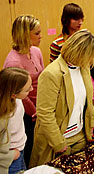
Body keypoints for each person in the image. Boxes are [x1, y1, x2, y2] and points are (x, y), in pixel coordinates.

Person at [29, 29, 94, 167]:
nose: (92, 59)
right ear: (80, 53)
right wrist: (58, 142)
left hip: (80, 135)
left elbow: (87, 100)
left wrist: (92, 122)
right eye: (90, 55)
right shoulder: (51, 74)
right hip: (59, 138)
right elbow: (45, 114)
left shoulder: (83, 67)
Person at [3, 15, 44, 167]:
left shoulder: (36, 51)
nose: (41, 36)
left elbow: (42, 77)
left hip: (39, 105)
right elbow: (18, 95)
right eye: (37, 33)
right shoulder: (13, 61)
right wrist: (34, 112)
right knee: (27, 146)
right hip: (26, 112)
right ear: (25, 35)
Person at [0, 67, 33, 174]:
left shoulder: (17, 100)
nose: (32, 89)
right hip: (10, 158)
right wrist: (10, 156)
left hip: (20, 150)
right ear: (13, 94)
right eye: (27, 89)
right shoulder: (3, 116)